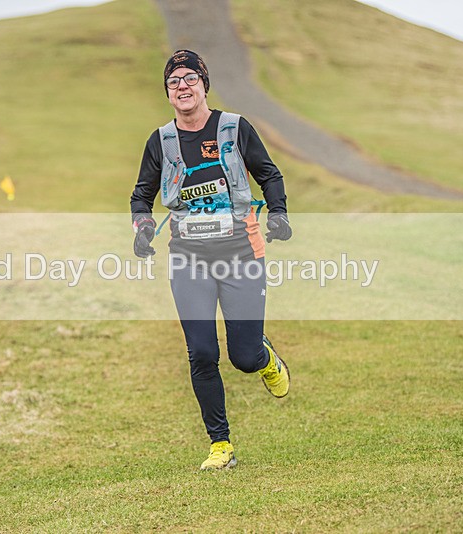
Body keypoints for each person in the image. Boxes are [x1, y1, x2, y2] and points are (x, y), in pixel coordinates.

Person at [130, 50, 293, 470]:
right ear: (168, 93)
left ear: (204, 83)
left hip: (242, 255)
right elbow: (141, 195)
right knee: (201, 352)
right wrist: (143, 229)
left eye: (189, 78)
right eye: (173, 82)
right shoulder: (160, 141)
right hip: (188, 259)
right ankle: (220, 445)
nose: (181, 87)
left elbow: (269, 174)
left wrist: (278, 214)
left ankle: (263, 356)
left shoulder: (234, 128)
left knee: (242, 358)